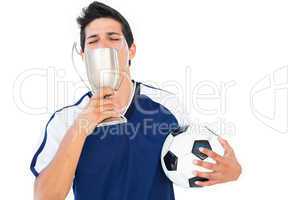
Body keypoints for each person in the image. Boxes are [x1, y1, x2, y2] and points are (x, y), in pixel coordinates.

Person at [30, 2, 241, 200]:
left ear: (131, 50)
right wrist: (80, 127)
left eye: (113, 38)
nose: (103, 47)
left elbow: (195, 158)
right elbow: (45, 196)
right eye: (93, 41)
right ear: (84, 55)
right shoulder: (65, 120)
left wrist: (232, 171)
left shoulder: (166, 106)